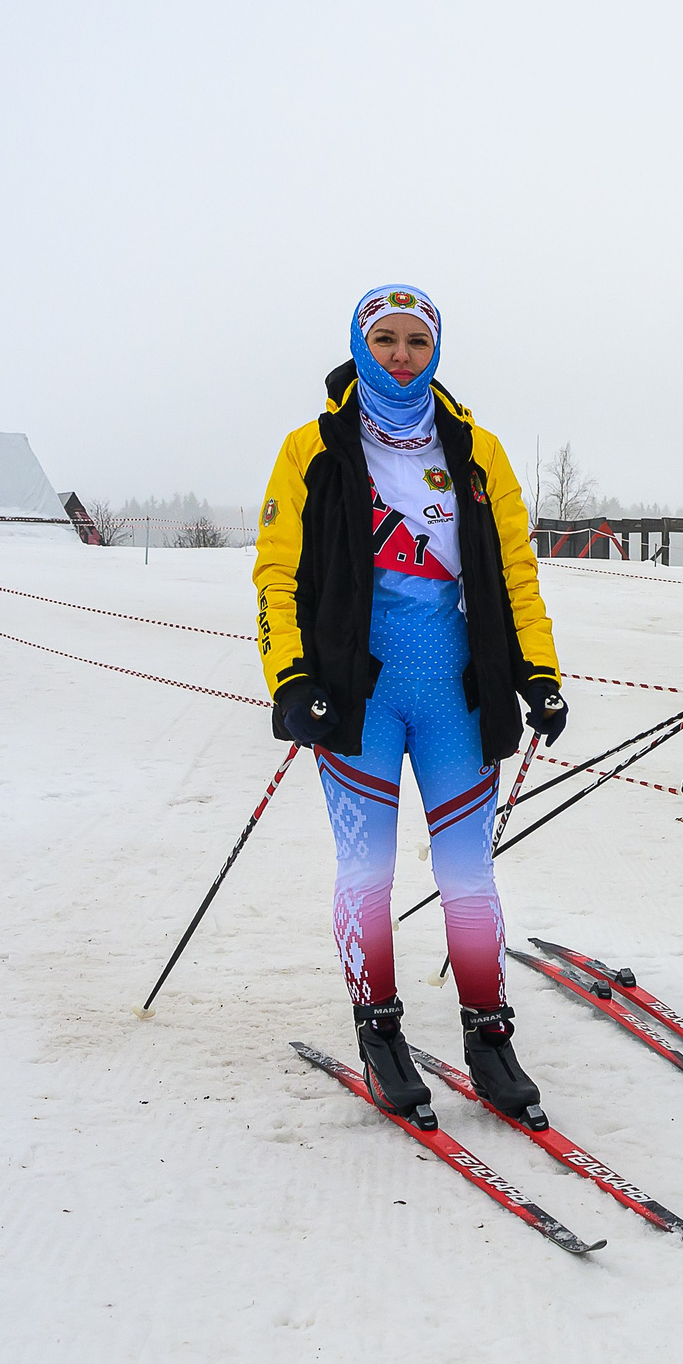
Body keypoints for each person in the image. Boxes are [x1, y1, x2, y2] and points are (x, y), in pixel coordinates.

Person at [252, 285, 567, 1130]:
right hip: (359, 697)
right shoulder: (312, 448)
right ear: (360, 346)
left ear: (436, 351)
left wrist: (538, 671)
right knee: (370, 871)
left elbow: (514, 573)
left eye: (415, 342)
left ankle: (489, 1035)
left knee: (468, 872)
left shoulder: (476, 452)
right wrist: (291, 677)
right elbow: (277, 577)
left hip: (456, 694)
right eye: (384, 340)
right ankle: (380, 1029)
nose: (400, 356)